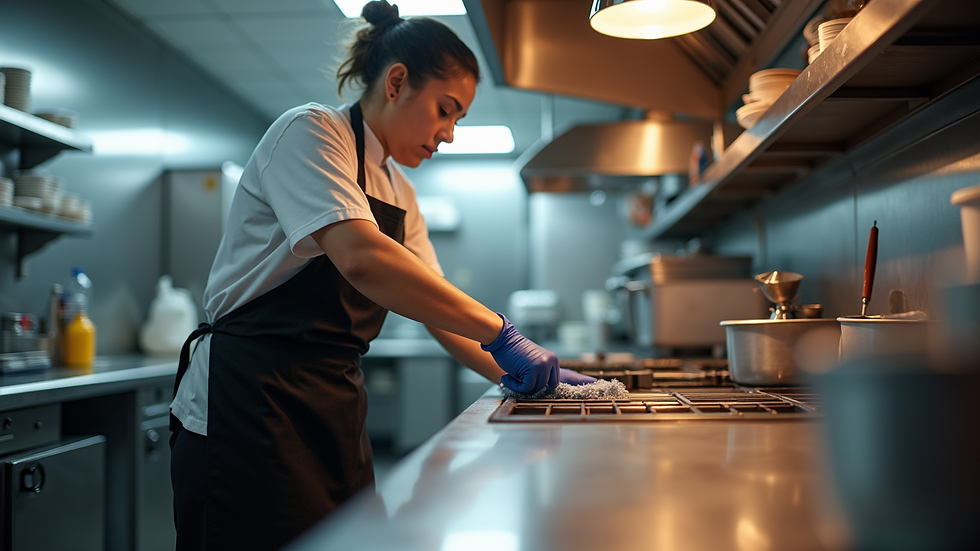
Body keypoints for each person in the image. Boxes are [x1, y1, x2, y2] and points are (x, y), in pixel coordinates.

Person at [168, 2, 594, 550]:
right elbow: (360, 257)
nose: (449, 134)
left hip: (333, 404)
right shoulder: (311, 133)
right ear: (396, 82)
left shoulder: (399, 192)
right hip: (249, 399)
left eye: (459, 119)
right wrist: (503, 333)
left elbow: (444, 317)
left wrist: (539, 383)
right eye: (446, 109)